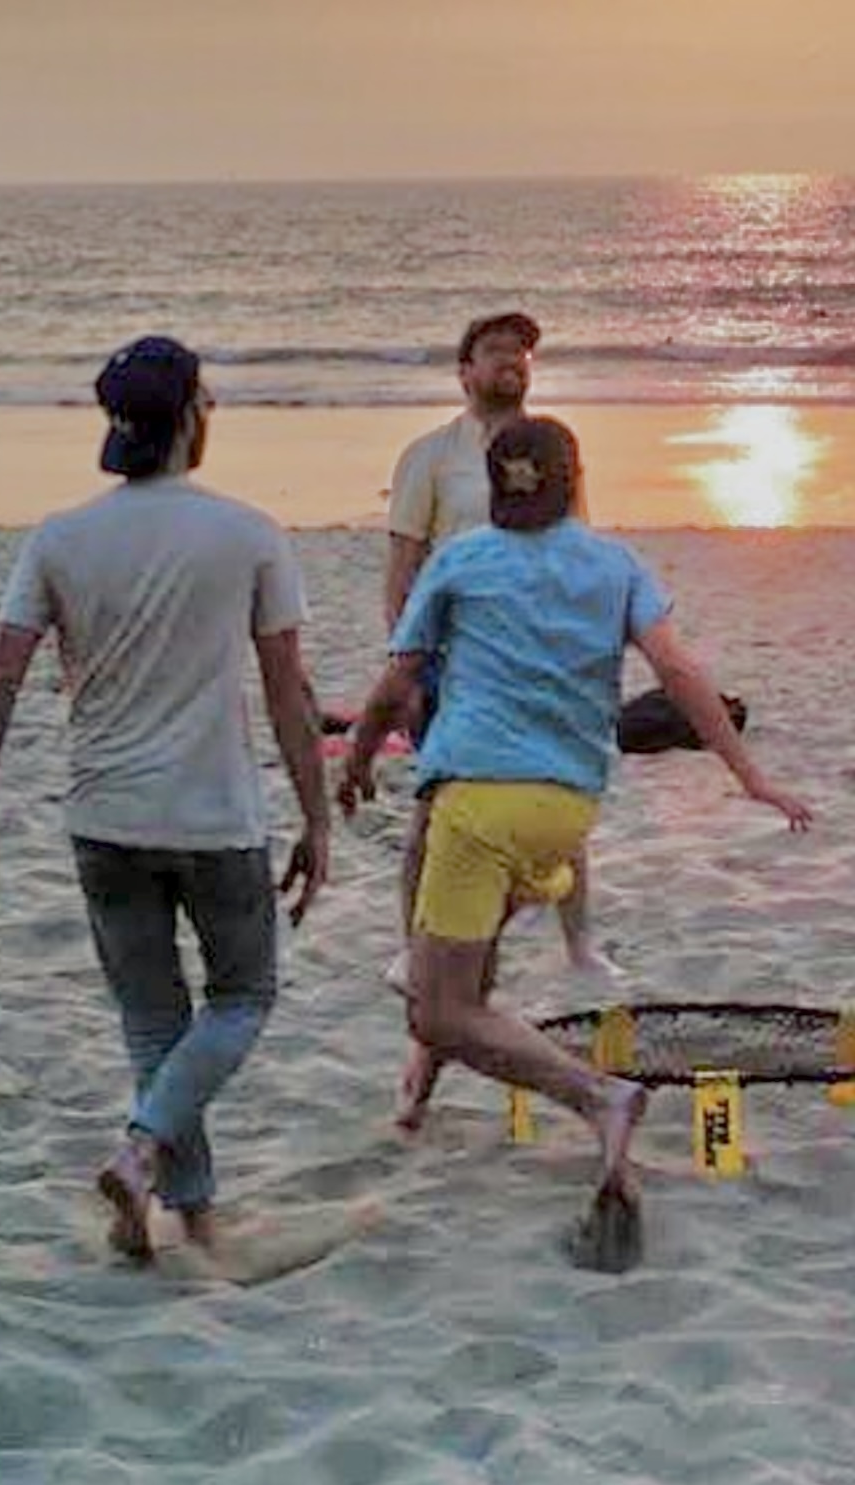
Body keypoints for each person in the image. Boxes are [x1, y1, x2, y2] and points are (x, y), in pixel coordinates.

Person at [339, 416, 812, 1190]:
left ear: (493, 486)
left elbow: (397, 684)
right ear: (575, 482)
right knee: (466, 966)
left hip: (477, 805)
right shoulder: (615, 564)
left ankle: (600, 1097)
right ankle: (415, 1101)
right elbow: (680, 672)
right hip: (567, 814)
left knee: (436, 1007)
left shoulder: (460, 559)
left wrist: (357, 761)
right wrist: (749, 776)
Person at [0, 335, 329, 1264]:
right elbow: (289, 692)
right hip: (214, 818)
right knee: (243, 996)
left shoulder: (59, 536)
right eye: (208, 399)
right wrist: (317, 818)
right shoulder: (248, 532)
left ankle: (188, 1214)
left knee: (154, 1019)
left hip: (104, 818)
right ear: (191, 416)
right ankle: (145, 1147)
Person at [385, 311, 602, 993]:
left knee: (562, 791)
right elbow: (403, 565)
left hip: (542, 655)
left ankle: (580, 945)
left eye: (522, 352)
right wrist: (404, 667)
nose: (512, 360)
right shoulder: (430, 456)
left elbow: (578, 550)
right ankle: (413, 948)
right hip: (455, 659)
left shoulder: (557, 451)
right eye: (496, 349)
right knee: (435, 807)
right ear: (465, 370)